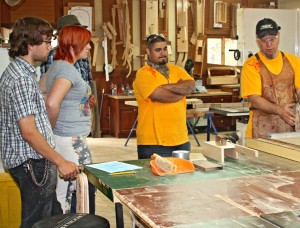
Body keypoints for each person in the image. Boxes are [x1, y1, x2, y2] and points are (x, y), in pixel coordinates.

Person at [0, 17, 79, 228]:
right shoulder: (22, 79)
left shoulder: (19, 72)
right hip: (32, 163)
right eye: (45, 41)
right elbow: (29, 132)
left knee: (53, 217)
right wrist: (60, 161)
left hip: (32, 161)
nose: (49, 46)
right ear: (30, 44)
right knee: (37, 223)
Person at [40, 14, 96, 214]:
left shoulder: (57, 65)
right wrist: (49, 128)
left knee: (64, 192)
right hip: (70, 139)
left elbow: (40, 90)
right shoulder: (67, 70)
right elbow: (52, 102)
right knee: (77, 193)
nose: (89, 47)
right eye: (86, 43)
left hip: (66, 136)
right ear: (73, 46)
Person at [133, 34, 195, 159]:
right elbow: (160, 96)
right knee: (154, 178)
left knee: (183, 177)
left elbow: (191, 86)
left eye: (165, 49)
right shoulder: (143, 74)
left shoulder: (177, 70)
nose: (163, 53)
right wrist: (180, 89)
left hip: (181, 140)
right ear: (148, 51)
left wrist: (165, 87)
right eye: (158, 50)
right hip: (153, 143)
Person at [241, 18, 300, 138]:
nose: (269, 44)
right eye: (264, 40)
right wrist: (279, 110)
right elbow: (255, 99)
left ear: (278, 36)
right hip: (261, 132)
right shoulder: (251, 65)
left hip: (290, 131)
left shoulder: (293, 61)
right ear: (257, 40)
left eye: (272, 39)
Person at [39, 14, 96, 107]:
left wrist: (89, 97)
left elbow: (87, 83)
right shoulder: (52, 57)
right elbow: (48, 92)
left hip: (82, 111)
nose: (88, 46)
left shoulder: (83, 57)